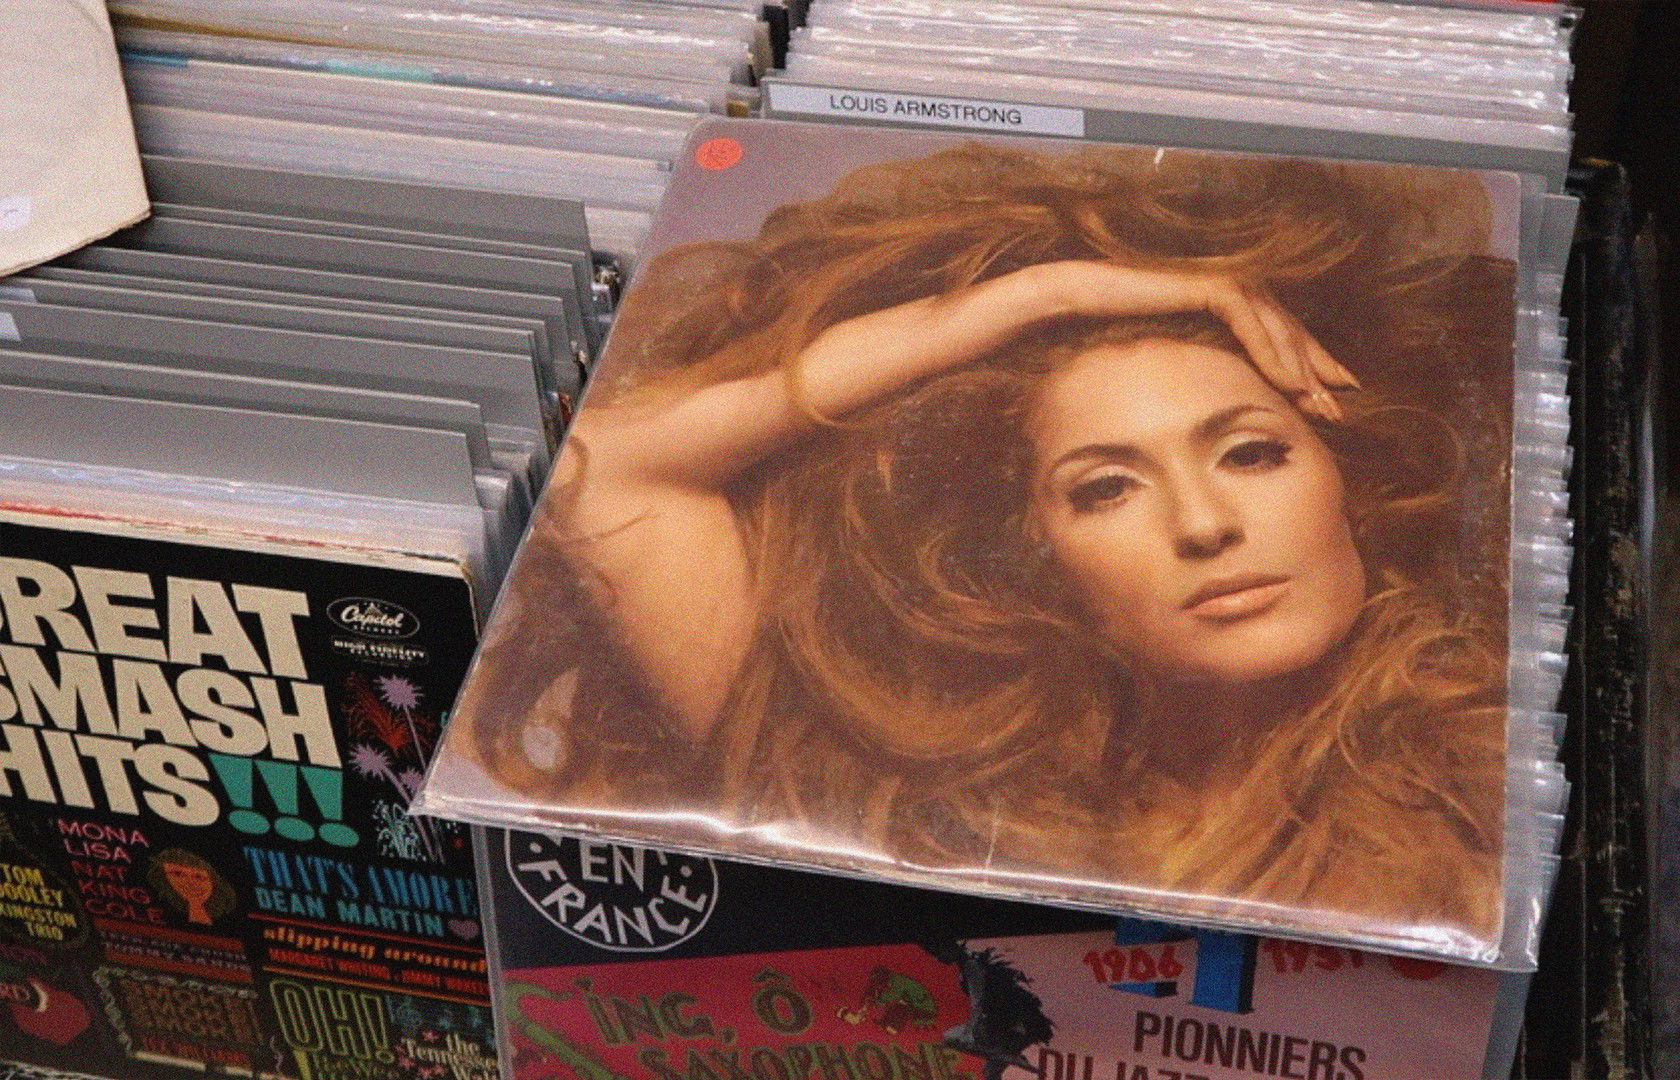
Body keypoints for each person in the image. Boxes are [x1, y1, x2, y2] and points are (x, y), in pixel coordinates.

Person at [464, 139, 1515, 944]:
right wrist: (1047, 294)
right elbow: (610, 459)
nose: (1205, 526)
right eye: (1106, 488)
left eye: (1250, 453)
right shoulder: (889, 801)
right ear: (1028, 558)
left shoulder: (1469, 777)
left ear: (1353, 483)